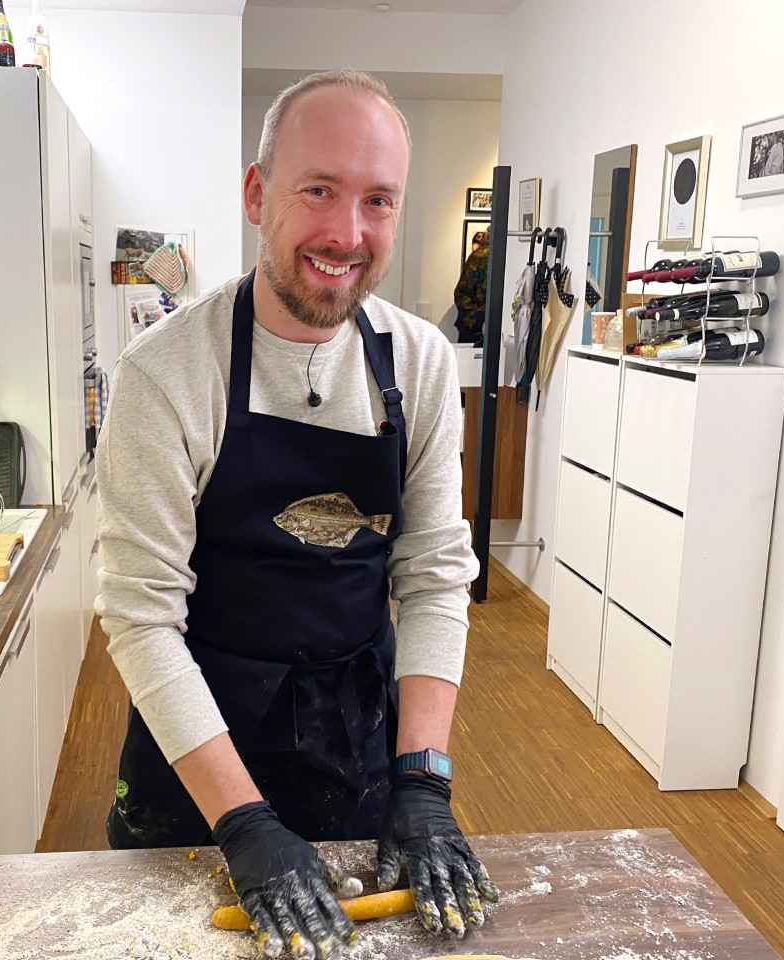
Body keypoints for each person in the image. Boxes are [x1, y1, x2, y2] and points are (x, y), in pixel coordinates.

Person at [94, 69, 497, 958]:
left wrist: (423, 782)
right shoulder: (167, 373)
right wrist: (241, 821)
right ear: (256, 193)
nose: (347, 234)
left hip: (355, 741)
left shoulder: (420, 363)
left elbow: (435, 579)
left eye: (378, 201)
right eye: (319, 189)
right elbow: (140, 615)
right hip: (196, 756)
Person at [453, 228, 490, 343]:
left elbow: (461, 294)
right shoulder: (479, 257)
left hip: (475, 325)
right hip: (475, 328)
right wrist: (479, 321)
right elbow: (462, 294)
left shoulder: (478, 256)